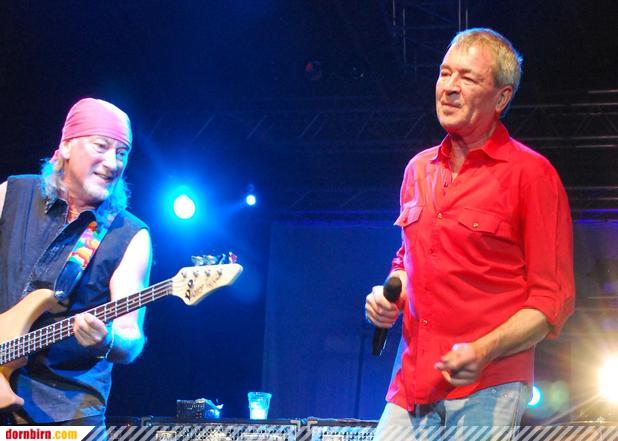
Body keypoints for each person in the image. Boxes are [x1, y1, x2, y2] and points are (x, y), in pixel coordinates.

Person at [365, 28, 574, 439]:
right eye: (445, 73)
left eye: (468, 78)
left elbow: (551, 301)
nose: (449, 87)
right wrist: (389, 296)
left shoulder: (532, 175)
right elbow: (407, 262)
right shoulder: (418, 170)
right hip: (410, 385)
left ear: (501, 98)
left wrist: (483, 350)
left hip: (488, 387)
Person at [0, 98, 152, 425]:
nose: (112, 163)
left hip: (66, 414)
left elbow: (130, 336)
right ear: (67, 146)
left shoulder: (130, 235)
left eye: (122, 153)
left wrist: (107, 341)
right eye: (101, 146)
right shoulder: (11, 195)